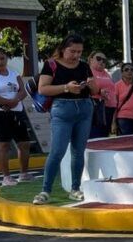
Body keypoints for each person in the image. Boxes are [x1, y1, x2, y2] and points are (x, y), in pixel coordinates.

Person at [34, 34, 99, 205]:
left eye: (79, 52)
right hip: (62, 109)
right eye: (72, 51)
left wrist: (92, 86)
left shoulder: (84, 66)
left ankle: (75, 188)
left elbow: (94, 90)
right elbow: (43, 89)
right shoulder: (51, 65)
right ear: (63, 49)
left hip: (85, 108)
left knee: (78, 151)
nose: (76, 55)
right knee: (57, 151)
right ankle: (45, 190)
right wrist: (66, 88)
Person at [0, 46, 32, 186]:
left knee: (24, 143)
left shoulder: (14, 73)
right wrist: (7, 103)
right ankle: (6, 177)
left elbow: (23, 90)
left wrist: (15, 101)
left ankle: (24, 173)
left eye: (2, 58)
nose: (0, 62)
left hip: (17, 111)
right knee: (4, 144)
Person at [88, 51, 117, 139]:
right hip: (97, 108)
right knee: (96, 136)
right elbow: (85, 86)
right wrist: (99, 91)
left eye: (104, 60)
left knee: (104, 137)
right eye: (99, 59)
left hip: (109, 109)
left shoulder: (106, 73)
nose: (102, 62)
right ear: (91, 59)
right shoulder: (88, 71)